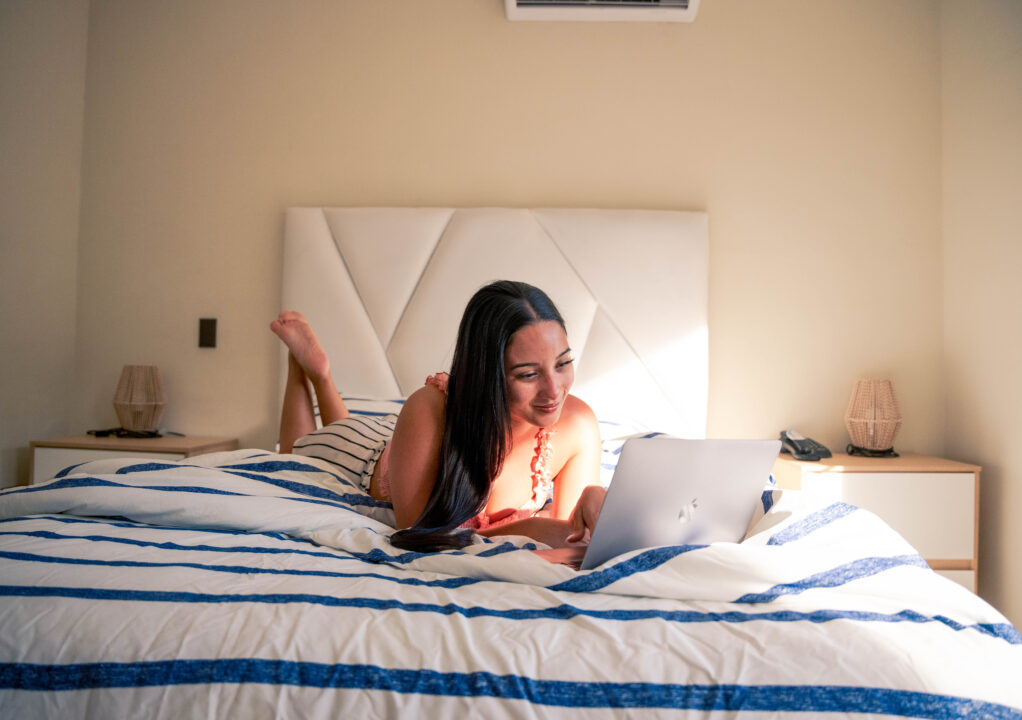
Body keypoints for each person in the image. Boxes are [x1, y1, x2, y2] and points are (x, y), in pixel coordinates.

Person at [271, 280, 607, 554]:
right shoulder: (429, 408)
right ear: (487, 374)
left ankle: (322, 379)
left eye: (563, 364)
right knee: (297, 450)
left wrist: (596, 502)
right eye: (528, 374)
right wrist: (531, 527)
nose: (554, 390)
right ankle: (310, 371)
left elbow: (571, 541)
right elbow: (418, 533)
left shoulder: (577, 424)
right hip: (368, 455)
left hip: (406, 439)